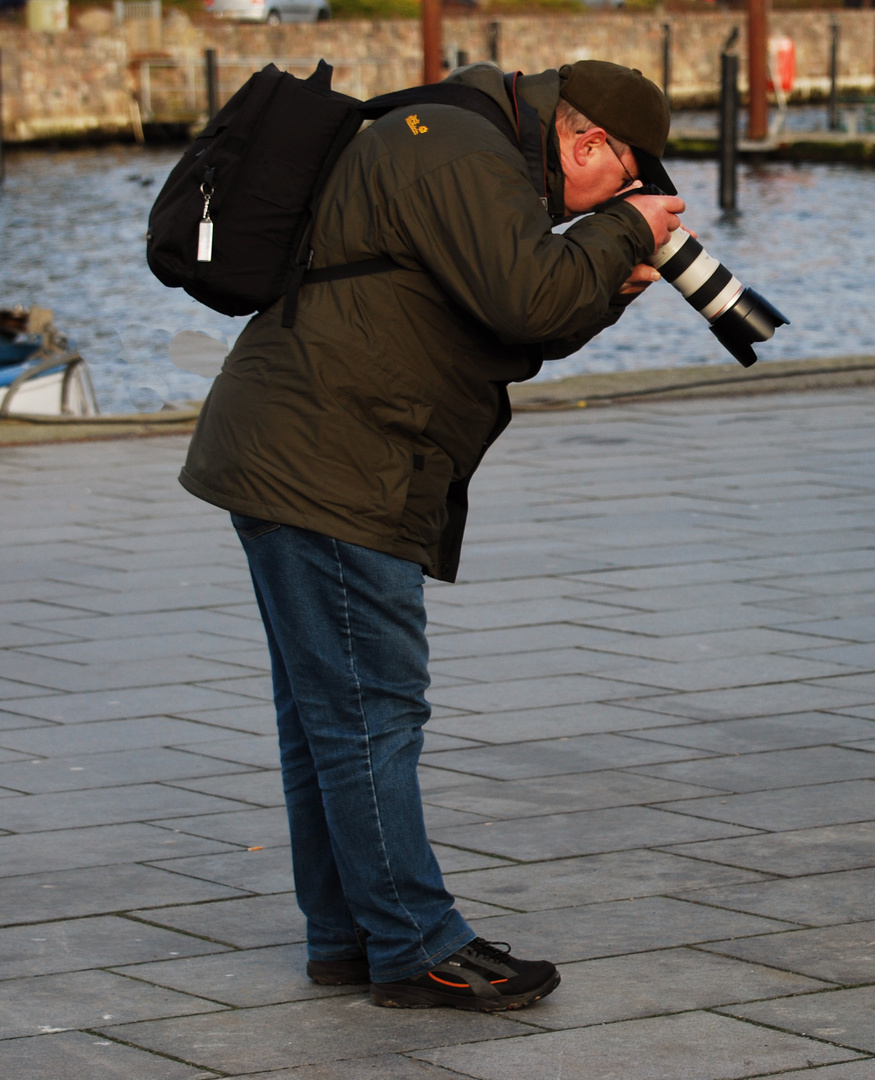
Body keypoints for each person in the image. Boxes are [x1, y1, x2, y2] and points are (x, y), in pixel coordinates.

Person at [177, 60, 686, 1012]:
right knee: (371, 713)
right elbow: (528, 300)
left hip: (309, 449)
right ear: (589, 144)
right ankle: (417, 944)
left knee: (327, 716)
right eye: (621, 180)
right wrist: (618, 230)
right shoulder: (463, 153)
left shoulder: (460, 139)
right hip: (334, 458)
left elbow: (508, 321)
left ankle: (348, 937)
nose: (617, 200)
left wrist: (609, 281)